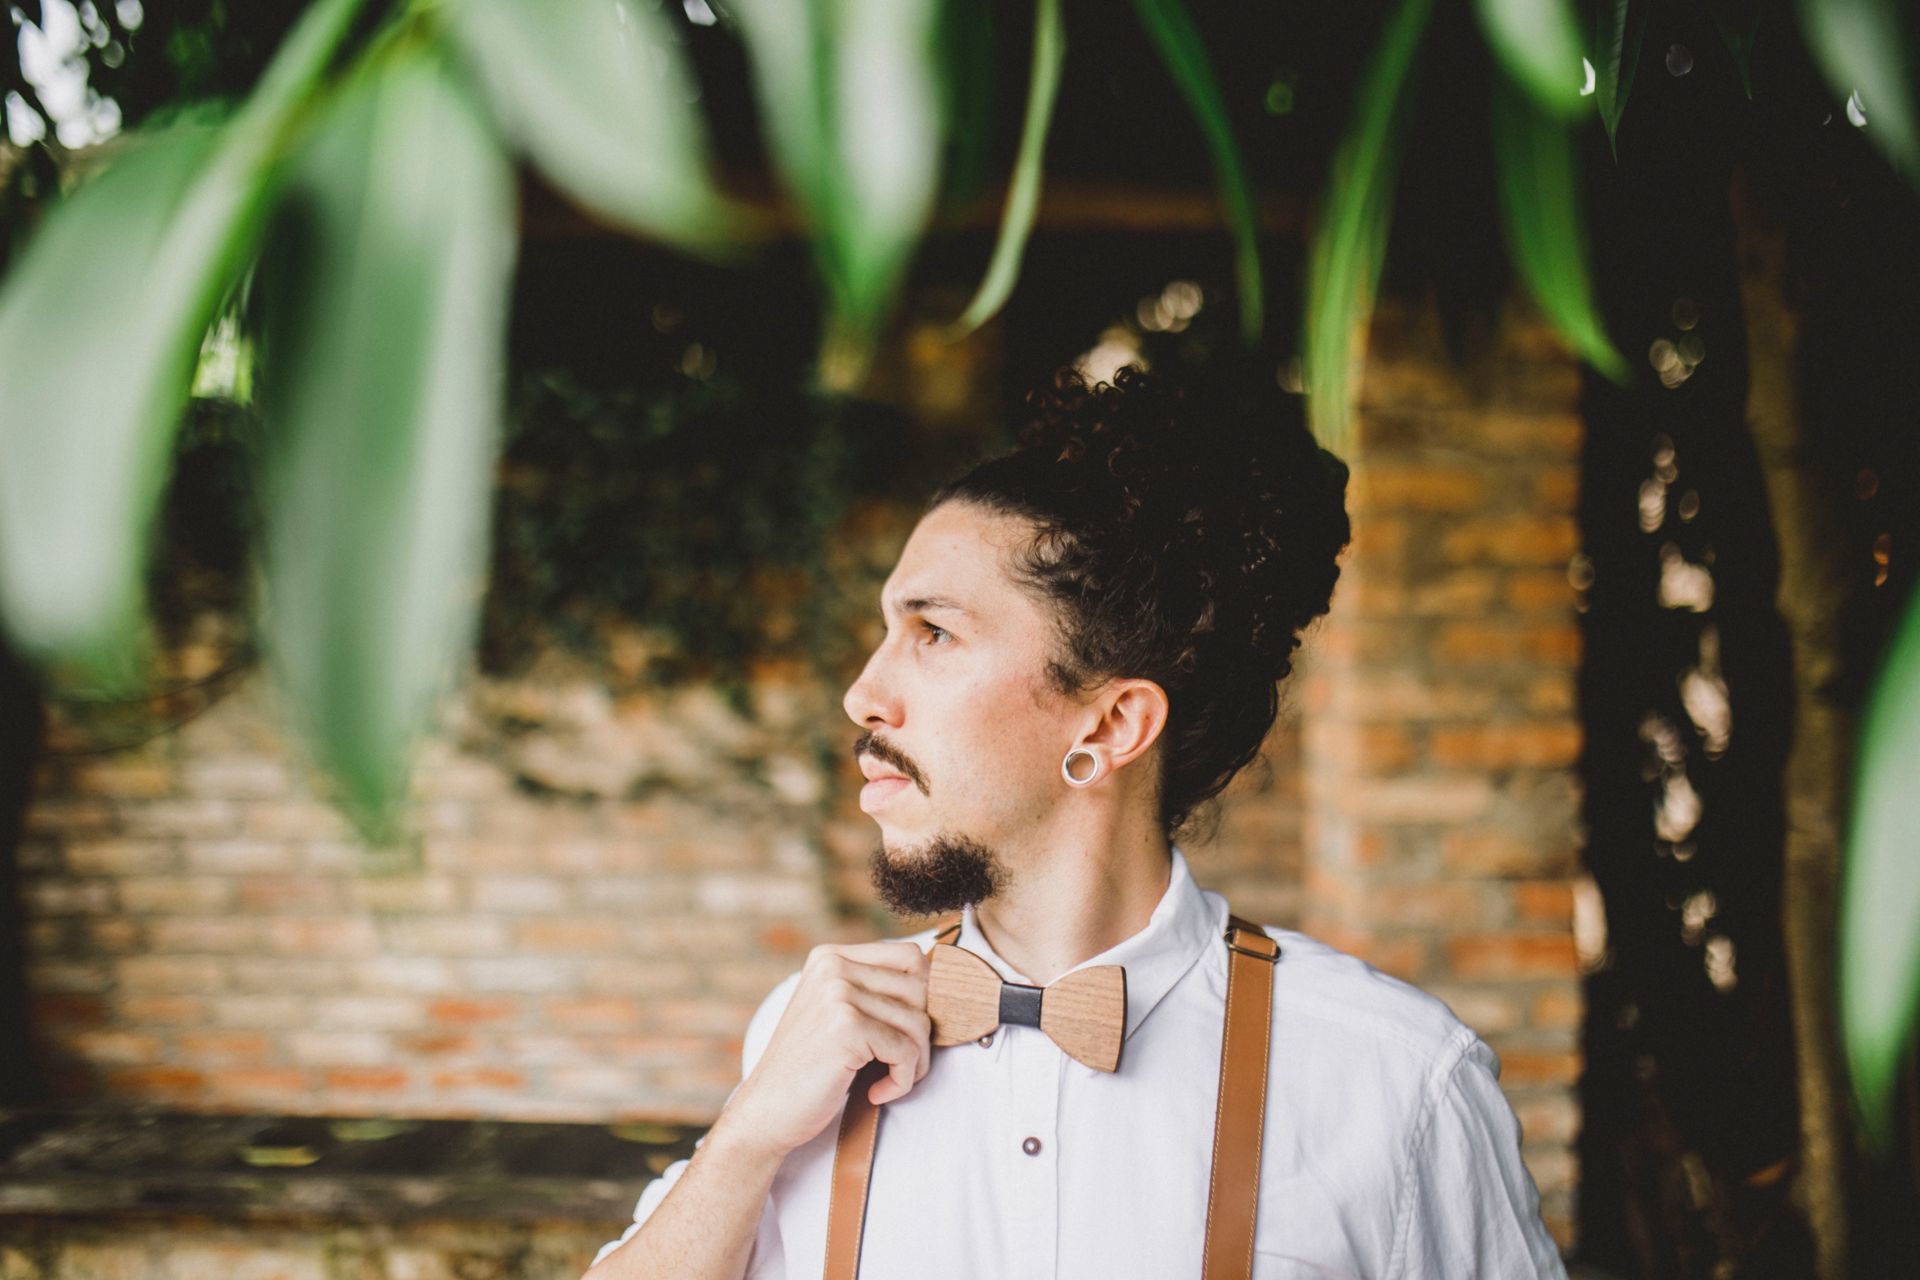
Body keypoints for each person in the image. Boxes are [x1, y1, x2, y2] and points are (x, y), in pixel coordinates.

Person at [583, 364, 1567, 1279]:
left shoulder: (1393, 1077)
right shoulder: (805, 1042)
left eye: (933, 633)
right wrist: (747, 1134)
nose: (862, 694)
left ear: (1108, 725)